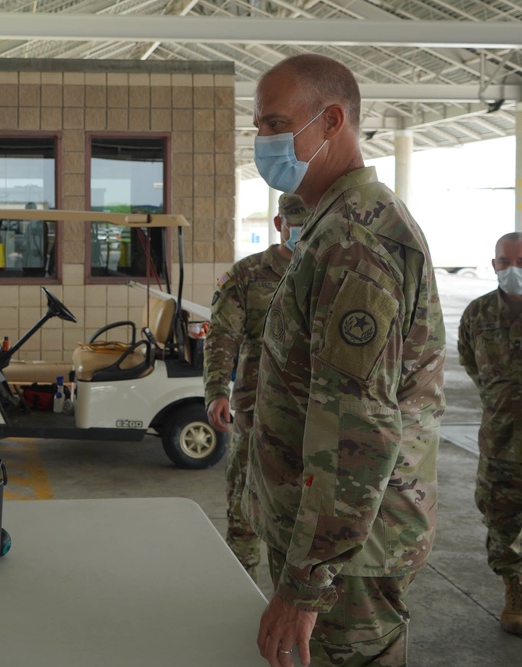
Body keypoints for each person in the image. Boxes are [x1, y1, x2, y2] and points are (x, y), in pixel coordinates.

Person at [245, 54, 445, 666]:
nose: (262, 141)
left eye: (274, 123)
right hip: (333, 546)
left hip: (347, 561)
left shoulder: (356, 243)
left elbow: (357, 430)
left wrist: (307, 584)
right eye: (257, 127)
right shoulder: (332, 228)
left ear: (331, 121)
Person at [205, 193, 310, 582]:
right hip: (255, 409)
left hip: (310, 414)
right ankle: (241, 585)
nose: (299, 231)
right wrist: (217, 390)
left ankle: (292, 598)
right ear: (279, 223)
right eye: (293, 223)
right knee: (244, 502)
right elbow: (222, 336)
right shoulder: (247, 275)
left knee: (301, 512)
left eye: (307, 222)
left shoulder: (328, 272)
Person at [457, 231, 522, 637]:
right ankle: (515, 592)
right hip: (501, 443)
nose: (513, 269)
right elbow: (470, 363)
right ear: (495, 264)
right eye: (505, 261)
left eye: (520, 260)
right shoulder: (478, 314)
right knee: (502, 521)